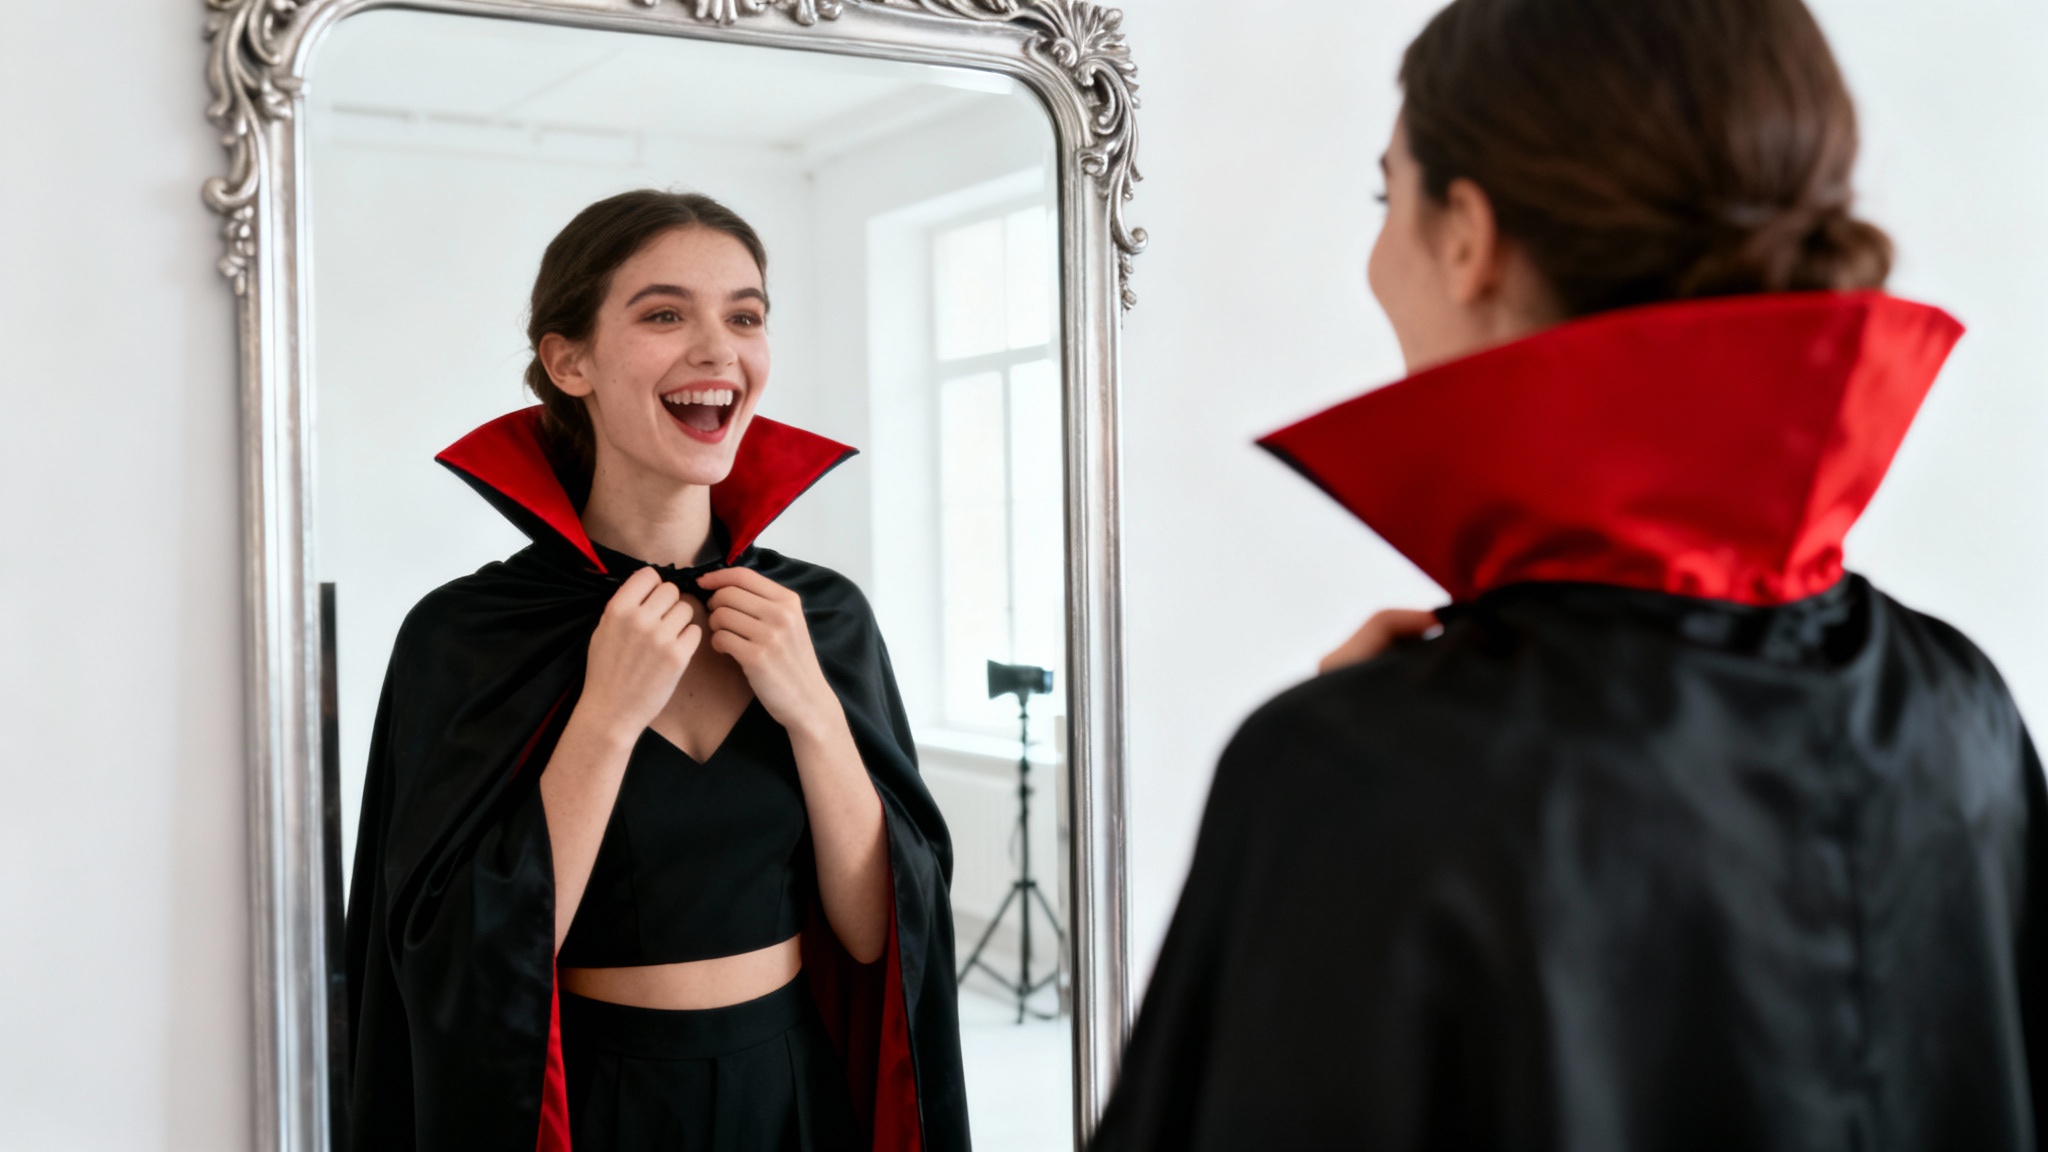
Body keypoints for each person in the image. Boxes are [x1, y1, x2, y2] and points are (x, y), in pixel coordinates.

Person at [1093, 1, 2046, 1148]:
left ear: (1466, 237)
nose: (1373, 258)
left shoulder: (1343, 779)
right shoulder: (1964, 706)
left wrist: (1350, 775)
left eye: (1381, 194)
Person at [343, 190, 969, 1152]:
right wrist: (605, 716)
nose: (719, 349)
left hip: (796, 1097)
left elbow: (881, 939)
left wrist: (811, 711)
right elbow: (462, 962)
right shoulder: (464, 634)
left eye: (745, 316)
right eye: (665, 313)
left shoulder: (824, 618)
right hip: (593, 1106)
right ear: (569, 360)